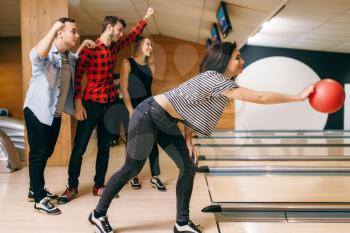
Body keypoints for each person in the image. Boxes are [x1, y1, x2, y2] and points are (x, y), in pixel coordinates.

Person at [87, 41, 315, 233]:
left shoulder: (218, 83)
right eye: (237, 57)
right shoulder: (215, 79)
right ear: (224, 60)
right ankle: (97, 214)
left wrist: (188, 139)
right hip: (148, 114)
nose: (242, 61)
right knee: (132, 169)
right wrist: (298, 97)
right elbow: (261, 97)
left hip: (165, 120)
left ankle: (182, 222)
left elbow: (191, 108)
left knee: (189, 164)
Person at [57, 8, 155, 204]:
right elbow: (77, 77)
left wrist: (145, 19)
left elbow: (131, 36)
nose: (120, 34)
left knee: (104, 147)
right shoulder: (90, 49)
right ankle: (72, 187)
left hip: (109, 104)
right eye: (118, 30)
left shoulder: (114, 48)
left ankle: (99, 185)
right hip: (90, 104)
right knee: (80, 148)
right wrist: (77, 103)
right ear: (109, 27)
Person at [23, 17, 95, 215]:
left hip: (53, 113)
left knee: (46, 152)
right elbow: (36, 56)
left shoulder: (67, 57)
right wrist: (54, 27)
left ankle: (33, 189)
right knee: (38, 153)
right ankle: (38, 198)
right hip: (37, 110)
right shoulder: (46, 55)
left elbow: (75, 61)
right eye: (74, 31)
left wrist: (83, 48)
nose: (77, 35)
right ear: (60, 33)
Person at [120, 36, 166, 191]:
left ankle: (156, 177)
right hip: (132, 108)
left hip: (148, 107)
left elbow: (148, 90)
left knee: (152, 142)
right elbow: (124, 89)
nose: (150, 47)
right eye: (148, 44)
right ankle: (133, 176)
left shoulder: (150, 66)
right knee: (133, 144)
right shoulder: (127, 63)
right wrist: (131, 110)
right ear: (139, 45)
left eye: (151, 45)